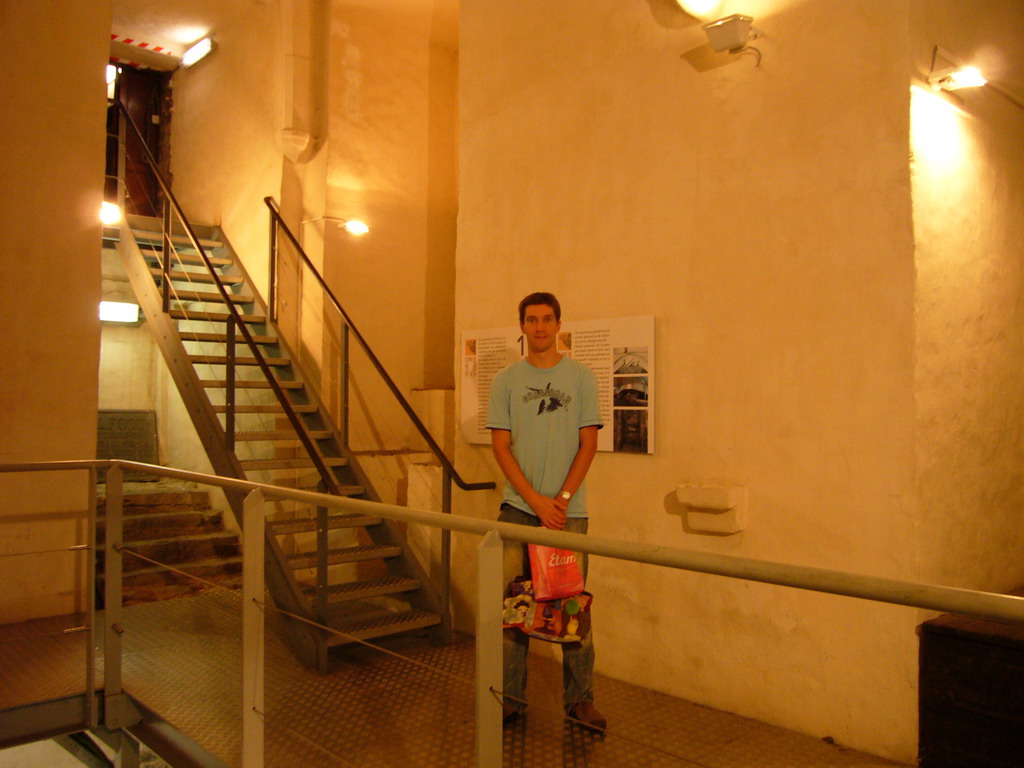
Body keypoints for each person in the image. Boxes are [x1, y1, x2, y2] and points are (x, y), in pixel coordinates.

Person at [487, 291, 607, 731]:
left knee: (573, 610)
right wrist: (536, 501)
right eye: (531, 319)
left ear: (559, 325)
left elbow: (588, 443)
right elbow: (501, 447)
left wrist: (560, 501)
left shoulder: (582, 378)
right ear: (521, 326)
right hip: (518, 510)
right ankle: (510, 698)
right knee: (513, 609)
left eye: (547, 319)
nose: (539, 327)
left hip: (569, 514)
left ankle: (580, 700)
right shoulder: (505, 381)